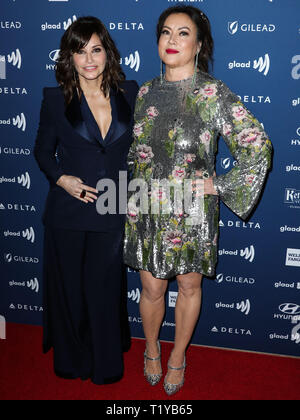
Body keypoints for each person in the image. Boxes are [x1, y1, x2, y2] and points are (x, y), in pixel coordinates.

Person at [124, 5, 272, 395]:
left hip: (191, 213)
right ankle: (152, 350)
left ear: (199, 44)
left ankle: (178, 357)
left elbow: (257, 146)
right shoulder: (144, 93)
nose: (172, 40)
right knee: (152, 289)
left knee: (189, 287)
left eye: (183, 33)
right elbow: (134, 151)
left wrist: (218, 186)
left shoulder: (213, 93)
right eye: (166, 32)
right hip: (148, 207)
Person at [34, 16, 139, 384]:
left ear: (107, 53)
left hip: (111, 207)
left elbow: (140, 151)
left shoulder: (130, 93)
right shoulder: (55, 99)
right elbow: (43, 152)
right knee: (72, 293)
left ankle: (106, 366)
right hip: (68, 211)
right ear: (69, 58)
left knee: (105, 289)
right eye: (80, 52)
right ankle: (72, 362)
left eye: (96, 49)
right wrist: (62, 179)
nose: (89, 59)